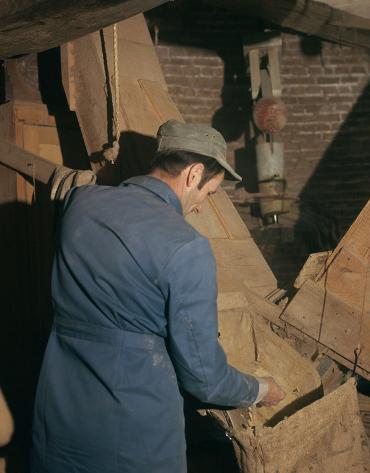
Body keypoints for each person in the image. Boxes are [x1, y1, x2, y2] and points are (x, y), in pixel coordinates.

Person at [31, 120, 285, 473]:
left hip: (58, 412)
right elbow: (204, 379)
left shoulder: (80, 203)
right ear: (194, 174)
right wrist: (258, 390)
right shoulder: (186, 246)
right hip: (132, 431)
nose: (199, 207)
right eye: (208, 194)